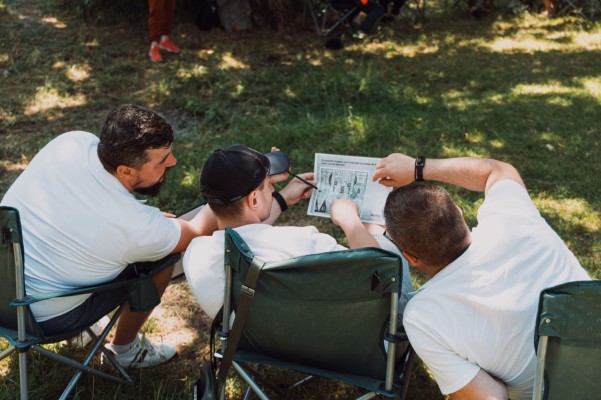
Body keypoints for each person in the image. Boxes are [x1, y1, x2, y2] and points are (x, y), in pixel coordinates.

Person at [0, 104, 217, 368]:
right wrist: (236, 190)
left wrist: (149, 222)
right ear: (125, 170)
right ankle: (125, 351)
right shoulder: (134, 227)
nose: (173, 162)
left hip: (4, 296)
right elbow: (196, 229)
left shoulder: (71, 143)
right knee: (165, 259)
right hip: (41, 319)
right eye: (162, 160)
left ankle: (82, 331)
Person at [372, 153, 590, 400]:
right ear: (459, 212)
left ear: (411, 258)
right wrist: (417, 167)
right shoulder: (513, 219)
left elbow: (490, 398)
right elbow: (496, 170)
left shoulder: (422, 316)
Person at [183, 144, 412, 321]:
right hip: (339, 344)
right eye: (269, 186)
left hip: (260, 344)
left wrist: (282, 199)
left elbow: (245, 230)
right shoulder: (304, 242)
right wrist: (350, 221)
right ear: (253, 198)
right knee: (387, 246)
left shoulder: (196, 255)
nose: (273, 189)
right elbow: (380, 269)